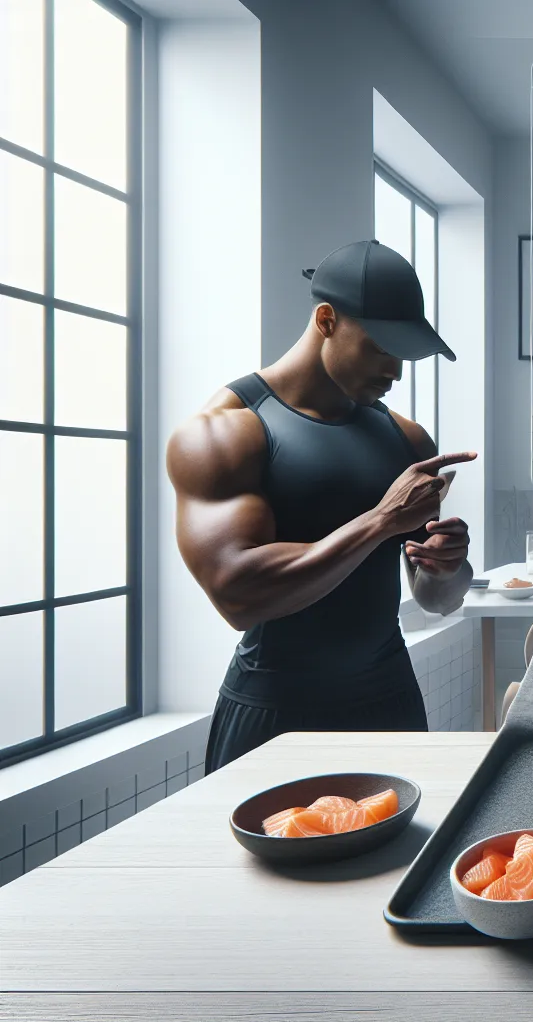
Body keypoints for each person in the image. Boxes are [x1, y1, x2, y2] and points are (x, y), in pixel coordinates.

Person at [168, 240, 478, 771]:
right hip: (274, 711)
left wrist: (448, 565)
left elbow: (437, 600)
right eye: (382, 346)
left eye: (404, 354)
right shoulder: (228, 432)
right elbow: (237, 595)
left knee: (414, 858)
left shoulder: (406, 439)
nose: (396, 371)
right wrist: (381, 520)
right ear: (327, 320)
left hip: (390, 698)